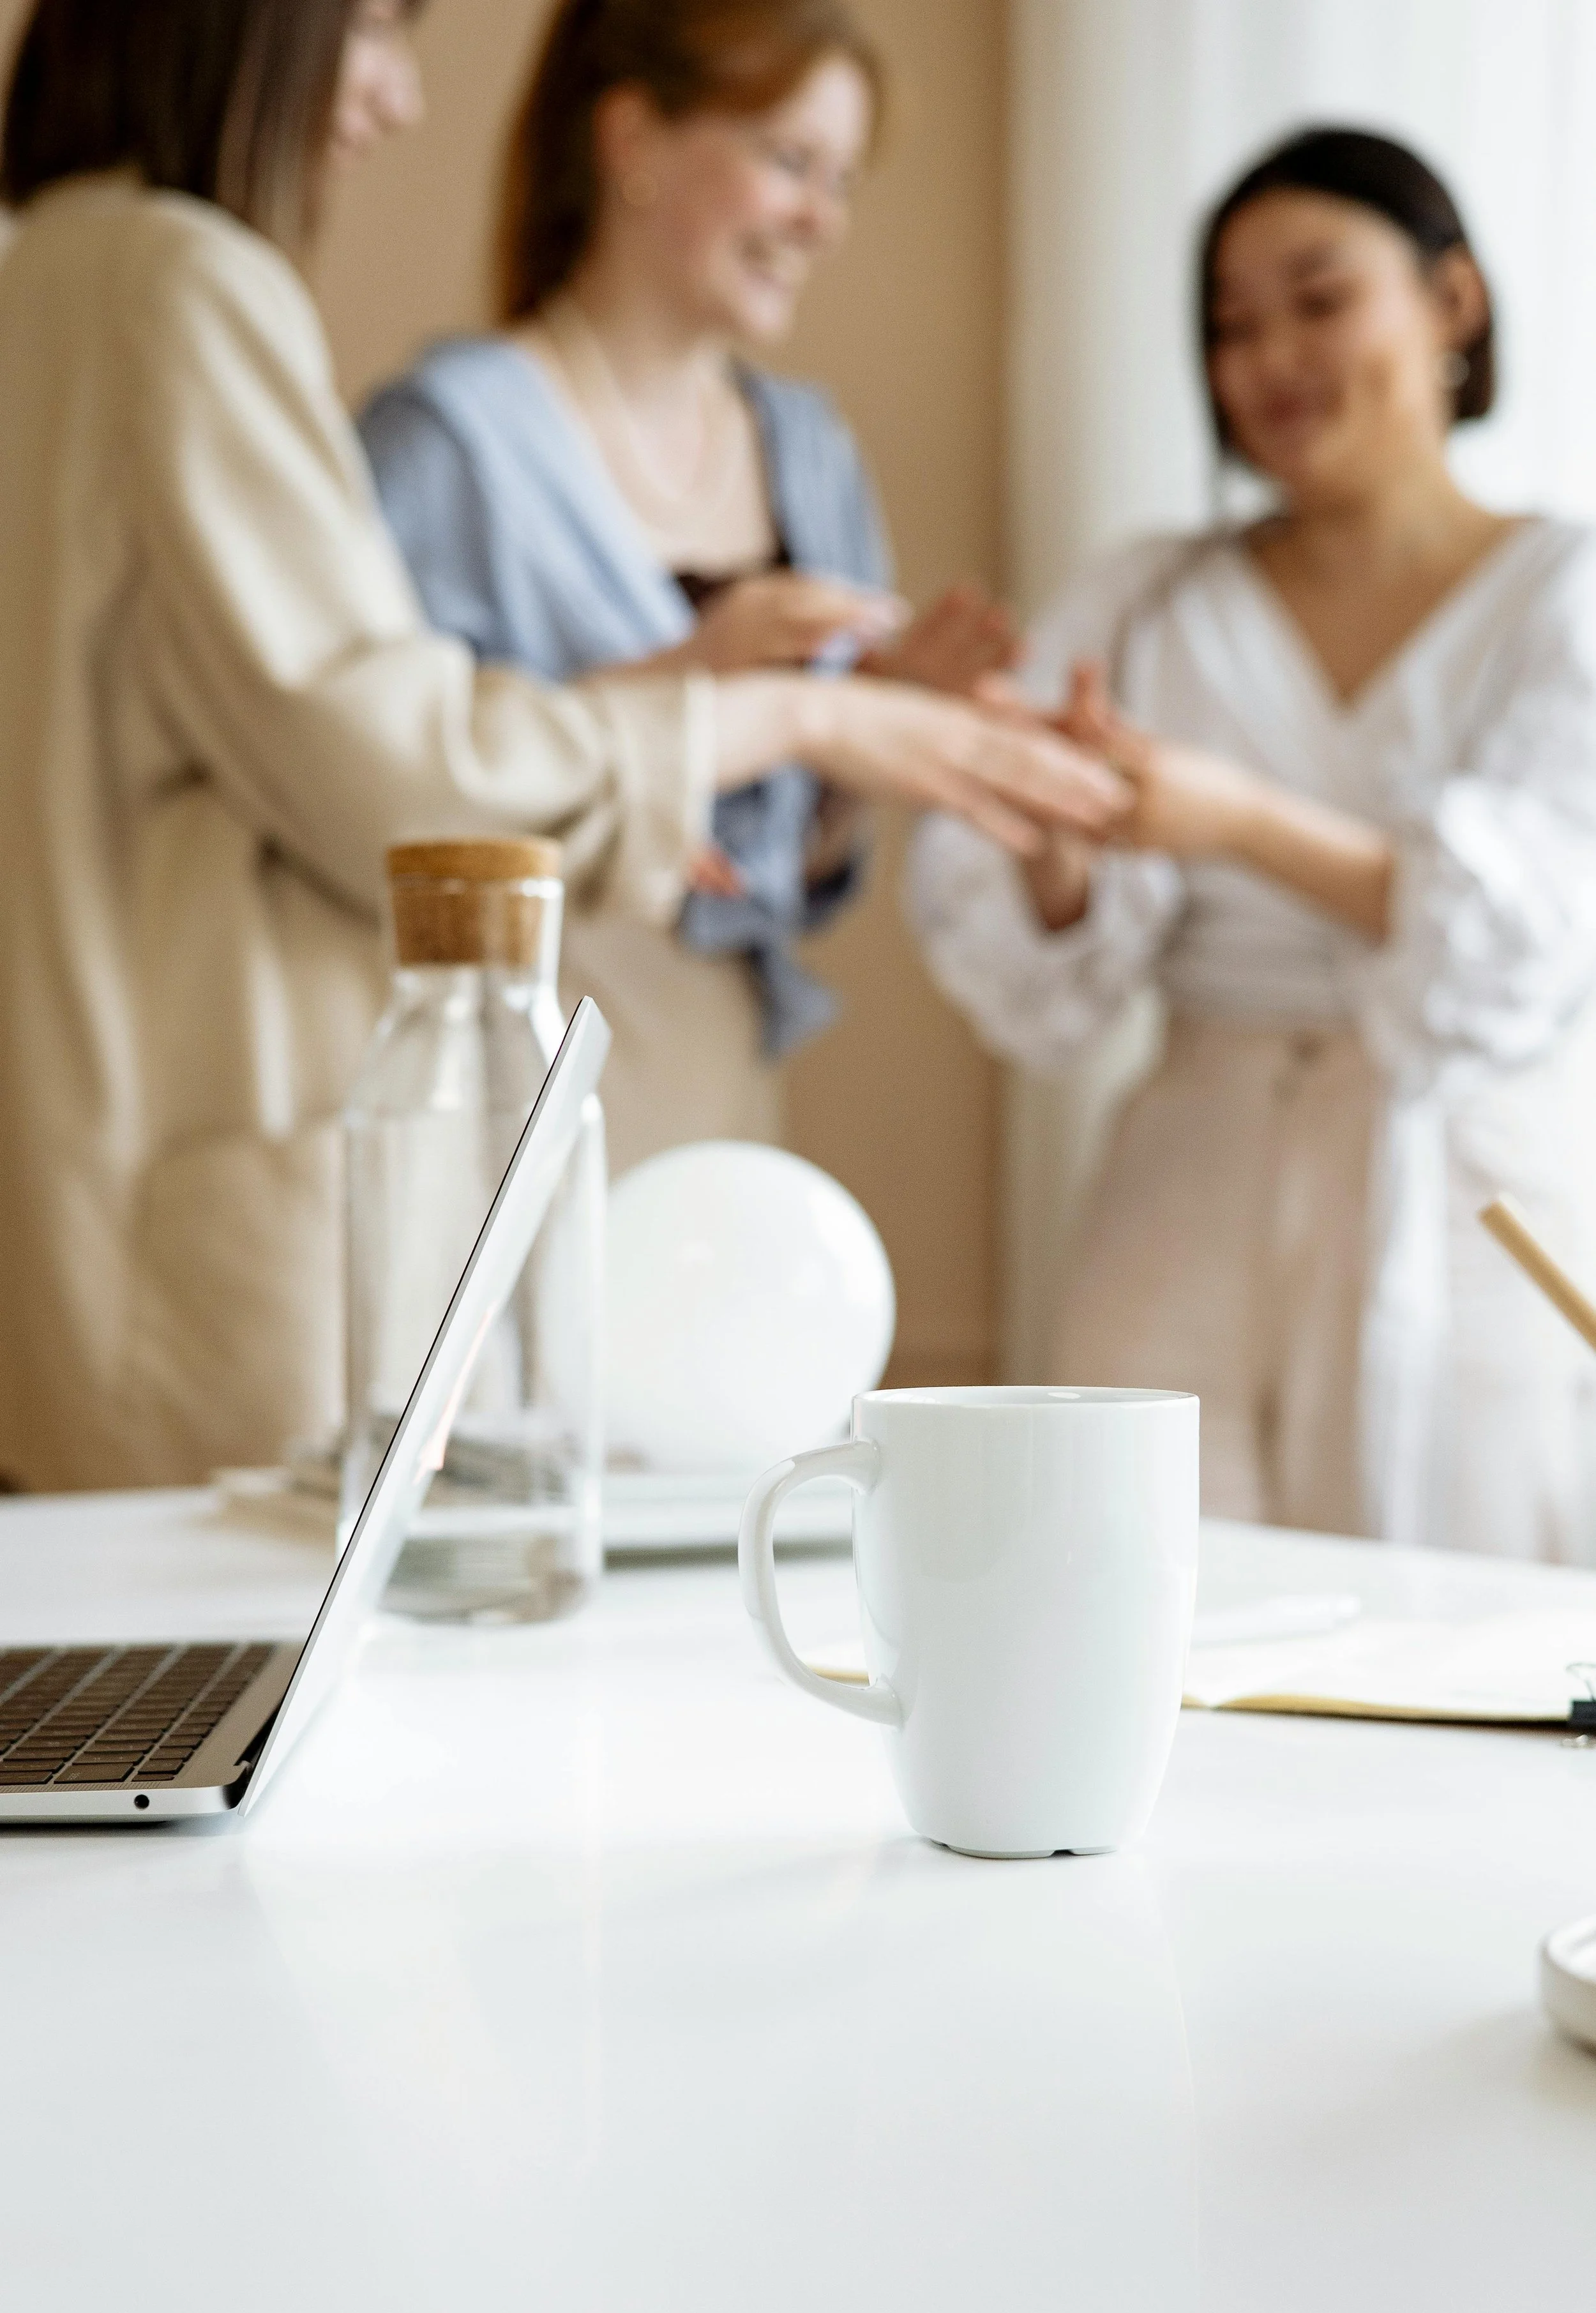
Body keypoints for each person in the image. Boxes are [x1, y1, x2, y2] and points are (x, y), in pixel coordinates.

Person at [0, 0, 1121, 1495]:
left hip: (599, 1113)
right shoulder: (202, 297)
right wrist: (774, 711)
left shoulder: (57, 271)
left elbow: (310, 722)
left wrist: (819, 752)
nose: (397, 96)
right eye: (381, 30)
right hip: (351, 1148)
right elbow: (384, 762)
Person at [910, 127, 1596, 1562]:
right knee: (1142, 1602)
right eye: (1229, 326)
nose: (1271, 356)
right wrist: (1059, 845)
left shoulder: (1560, 592)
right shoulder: (1144, 597)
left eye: (1317, 298)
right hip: (1187, 1189)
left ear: (1450, 303)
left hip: (1461, 1194)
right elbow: (1042, 976)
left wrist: (1225, 819)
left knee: (1461, 1646)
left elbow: (1539, 931)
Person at [359, 0, 1021, 1169]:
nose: (822, 219)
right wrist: (682, 684)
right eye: (789, 161)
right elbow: (372, 799)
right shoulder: (446, 443)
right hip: (490, 1089)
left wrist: (852, 758)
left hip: (711, 1074)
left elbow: (782, 878)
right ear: (632, 142)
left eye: (845, 181)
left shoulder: (806, 452)